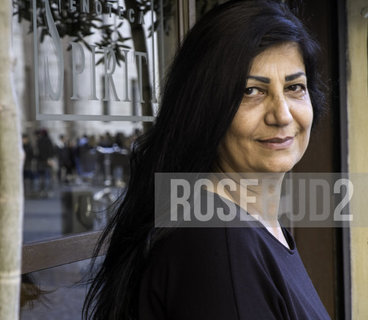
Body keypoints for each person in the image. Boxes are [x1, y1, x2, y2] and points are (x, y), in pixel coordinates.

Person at [83, 0, 330, 319]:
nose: (282, 115)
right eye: (251, 91)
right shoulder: (220, 242)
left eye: (295, 87)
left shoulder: (250, 226)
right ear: (206, 108)